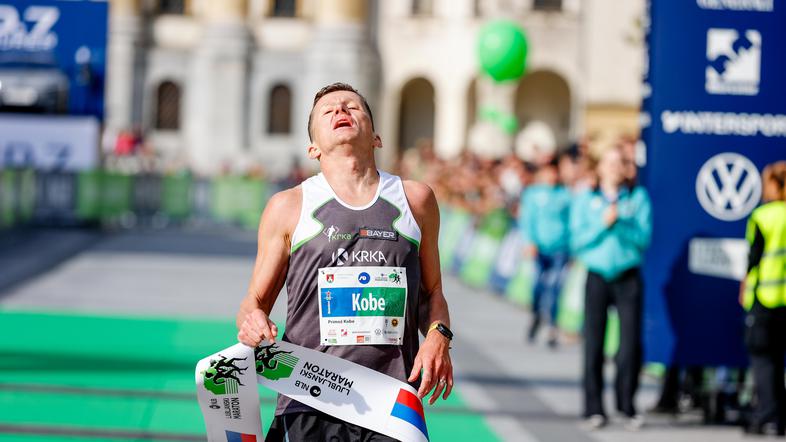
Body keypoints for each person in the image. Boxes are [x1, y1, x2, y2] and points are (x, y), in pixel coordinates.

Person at [236, 82, 454, 441]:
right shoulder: (288, 206)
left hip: (391, 400)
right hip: (307, 395)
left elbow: (433, 293)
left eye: (352, 107)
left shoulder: (415, 200)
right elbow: (253, 304)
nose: (341, 111)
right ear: (313, 148)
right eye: (329, 110)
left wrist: (438, 336)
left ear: (377, 137)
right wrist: (252, 322)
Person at [570, 145, 652, 430]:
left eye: (620, 162)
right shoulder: (586, 199)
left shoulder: (637, 198)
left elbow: (644, 238)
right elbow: (577, 240)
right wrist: (603, 224)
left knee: (629, 344)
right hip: (597, 275)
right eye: (610, 162)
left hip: (628, 275)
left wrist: (622, 224)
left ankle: (626, 404)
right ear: (600, 168)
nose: (615, 167)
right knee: (594, 342)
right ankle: (594, 408)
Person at [740, 161, 786, 436]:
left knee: (763, 360)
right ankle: (780, 417)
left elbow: (753, 258)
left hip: (765, 297)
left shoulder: (764, 216)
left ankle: (766, 415)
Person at [519, 155, 572, 347]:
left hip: (560, 248)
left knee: (556, 287)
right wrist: (529, 242)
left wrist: (572, 247)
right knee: (538, 286)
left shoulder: (565, 194)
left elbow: (571, 222)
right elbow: (527, 220)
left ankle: (552, 325)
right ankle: (536, 315)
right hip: (539, 248)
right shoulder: (533, 194)